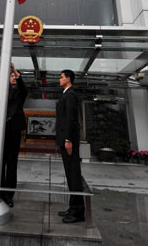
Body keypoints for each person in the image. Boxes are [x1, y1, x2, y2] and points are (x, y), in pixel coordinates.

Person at [55, 69, 85, 223]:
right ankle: (73, 208)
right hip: (65, 140)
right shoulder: (66, 94)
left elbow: (71, 119)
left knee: (73, 175)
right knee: (70, 175)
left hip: (69, 141)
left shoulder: (71, 95)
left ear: (68, 79)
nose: (59, 79)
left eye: (61, 77)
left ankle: (77, 212)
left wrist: (68, 140)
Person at [0, 62, 28, 207]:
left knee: (11, 163)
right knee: (0, 163)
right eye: (10, 76)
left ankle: (9, 195)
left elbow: (23, 87)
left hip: (14, 130)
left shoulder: (21, 93)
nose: (12, 78)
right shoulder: (3, 91)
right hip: (2, 130)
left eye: (14, 77)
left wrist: (15, 71)